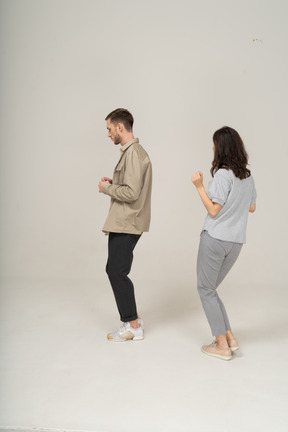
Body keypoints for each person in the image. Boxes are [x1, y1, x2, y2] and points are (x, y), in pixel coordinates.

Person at [191, 126, 257, 360]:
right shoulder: (247, 176)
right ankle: (229, 336)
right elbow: (251, 207)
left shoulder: (222, 174)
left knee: (205, 289)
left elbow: (213, 210)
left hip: (216, 238)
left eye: (214, 143)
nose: (212, 147)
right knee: (210, 289)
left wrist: (199, 186)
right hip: (236, 242)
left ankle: (221, 346)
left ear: (221, 148)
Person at [98, 108, 152, 342]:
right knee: (117, 270)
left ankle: (132, 325)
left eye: (110, 129)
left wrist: (106, 188)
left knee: (116, 271)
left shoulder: (132, 154)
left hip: (126, 222)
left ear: (120, 127)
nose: (108, 134)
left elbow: (130, 193)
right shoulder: (134, 153)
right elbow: (131, 186)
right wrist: (115, 182)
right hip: (127, 220)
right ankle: (134, 319)